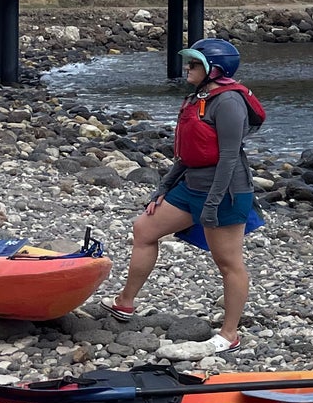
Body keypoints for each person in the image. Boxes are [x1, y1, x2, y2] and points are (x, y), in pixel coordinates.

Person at [109, 38, 264, 348]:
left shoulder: (230, 102)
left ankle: (229, 335)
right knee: (144, 229)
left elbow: (230, 157)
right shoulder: (198, 97)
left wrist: (213, 203)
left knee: (228, 262)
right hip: (191, 186)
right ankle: (125, 303)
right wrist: (163, 188)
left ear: (214, 69)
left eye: (194, 63)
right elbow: (187, 154)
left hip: (227, 191)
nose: (187, 68)